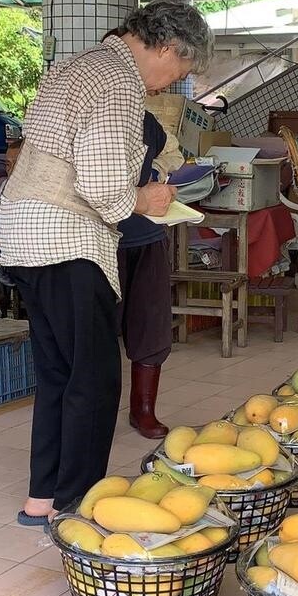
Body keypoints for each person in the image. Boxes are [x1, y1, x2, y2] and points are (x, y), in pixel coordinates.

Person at [0, 1, 212, 524]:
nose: (170, 84)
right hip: (67, 243)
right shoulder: (118, 82)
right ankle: (75, 506)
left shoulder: (79, 65)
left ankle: (40, 499)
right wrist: (146, 200)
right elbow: (102, 188)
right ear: (165, 47)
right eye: (179, 70)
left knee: (58, 375)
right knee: (93, 379)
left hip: (27, 238)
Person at [118, 109, 181, 440]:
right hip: (99, 240)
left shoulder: (148, 123)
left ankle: (143, 410)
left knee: (150, 322)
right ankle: (92, 411)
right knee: (96, 329)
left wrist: (157, 171)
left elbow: (174, 154)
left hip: (147, 234)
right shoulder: (94, 119)